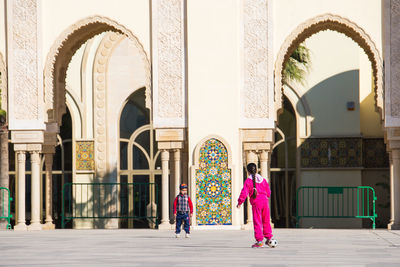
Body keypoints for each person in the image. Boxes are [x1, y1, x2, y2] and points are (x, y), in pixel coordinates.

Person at [237, 163, 276, 248]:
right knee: (266, 220)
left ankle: (259, 241)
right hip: (265, 201)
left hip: (256, 203)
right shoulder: (263, 179)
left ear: (248, 171)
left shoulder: (248, 181)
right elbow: (268, 192)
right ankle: (269, 238)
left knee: (257, 221)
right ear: (257, 170)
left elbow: (244, 193)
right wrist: (266, 196)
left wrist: (240, 202)